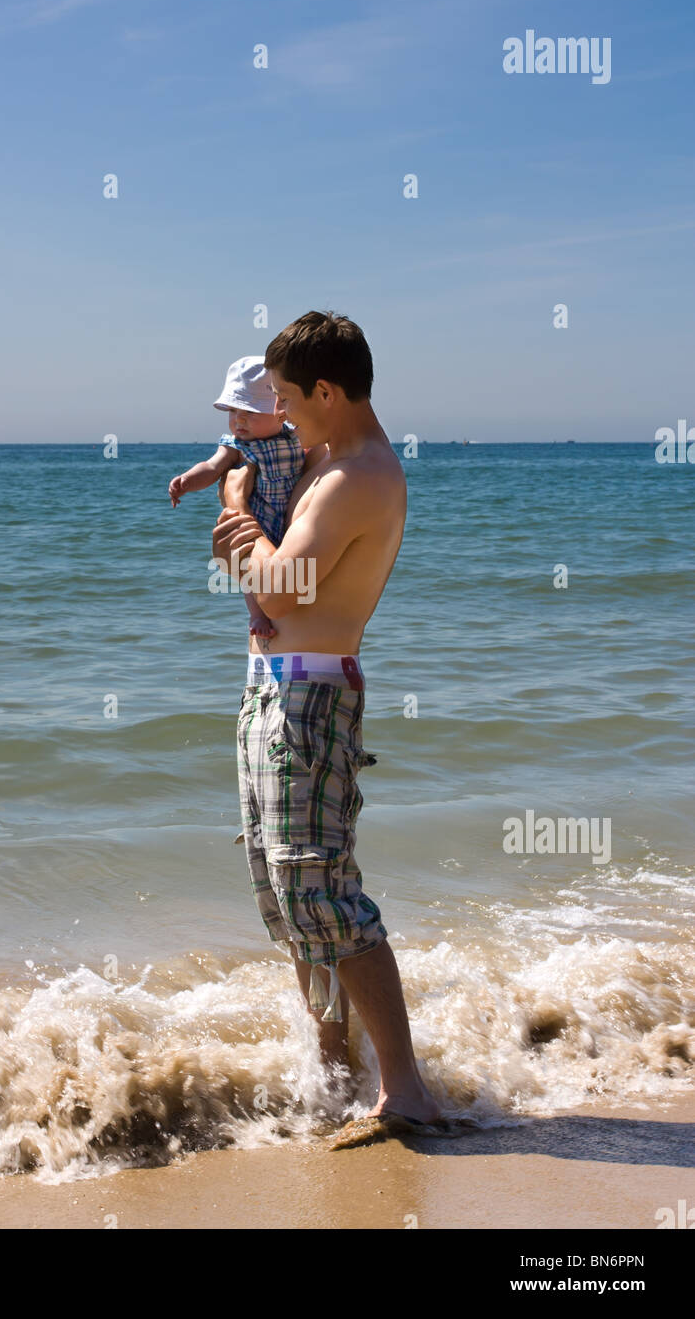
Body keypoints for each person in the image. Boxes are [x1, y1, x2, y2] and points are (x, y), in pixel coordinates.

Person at [212, 310, 444, 1144]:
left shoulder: (357, 476)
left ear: (326, 391)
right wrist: (240, 497)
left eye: (287, 396)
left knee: (325, 895)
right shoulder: (320, 459)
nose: (279, 410)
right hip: (272, 692)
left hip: (311, 698)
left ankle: (407, 1091)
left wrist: (239, 522)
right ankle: (338, 1076)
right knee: (289, 904)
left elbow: (278, 591)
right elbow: (264, 525)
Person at [169, 356, 307, 636]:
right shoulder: (235, 446)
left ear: (279, 410)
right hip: (256, 520)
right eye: (233, 411)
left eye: (250, 412)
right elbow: (211, 467)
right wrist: (187, 481)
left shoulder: (295, 436)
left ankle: (295, 611)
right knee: (247, 564)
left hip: (292, 520)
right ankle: (256, 616)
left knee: (293, 572)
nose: (239, 420)